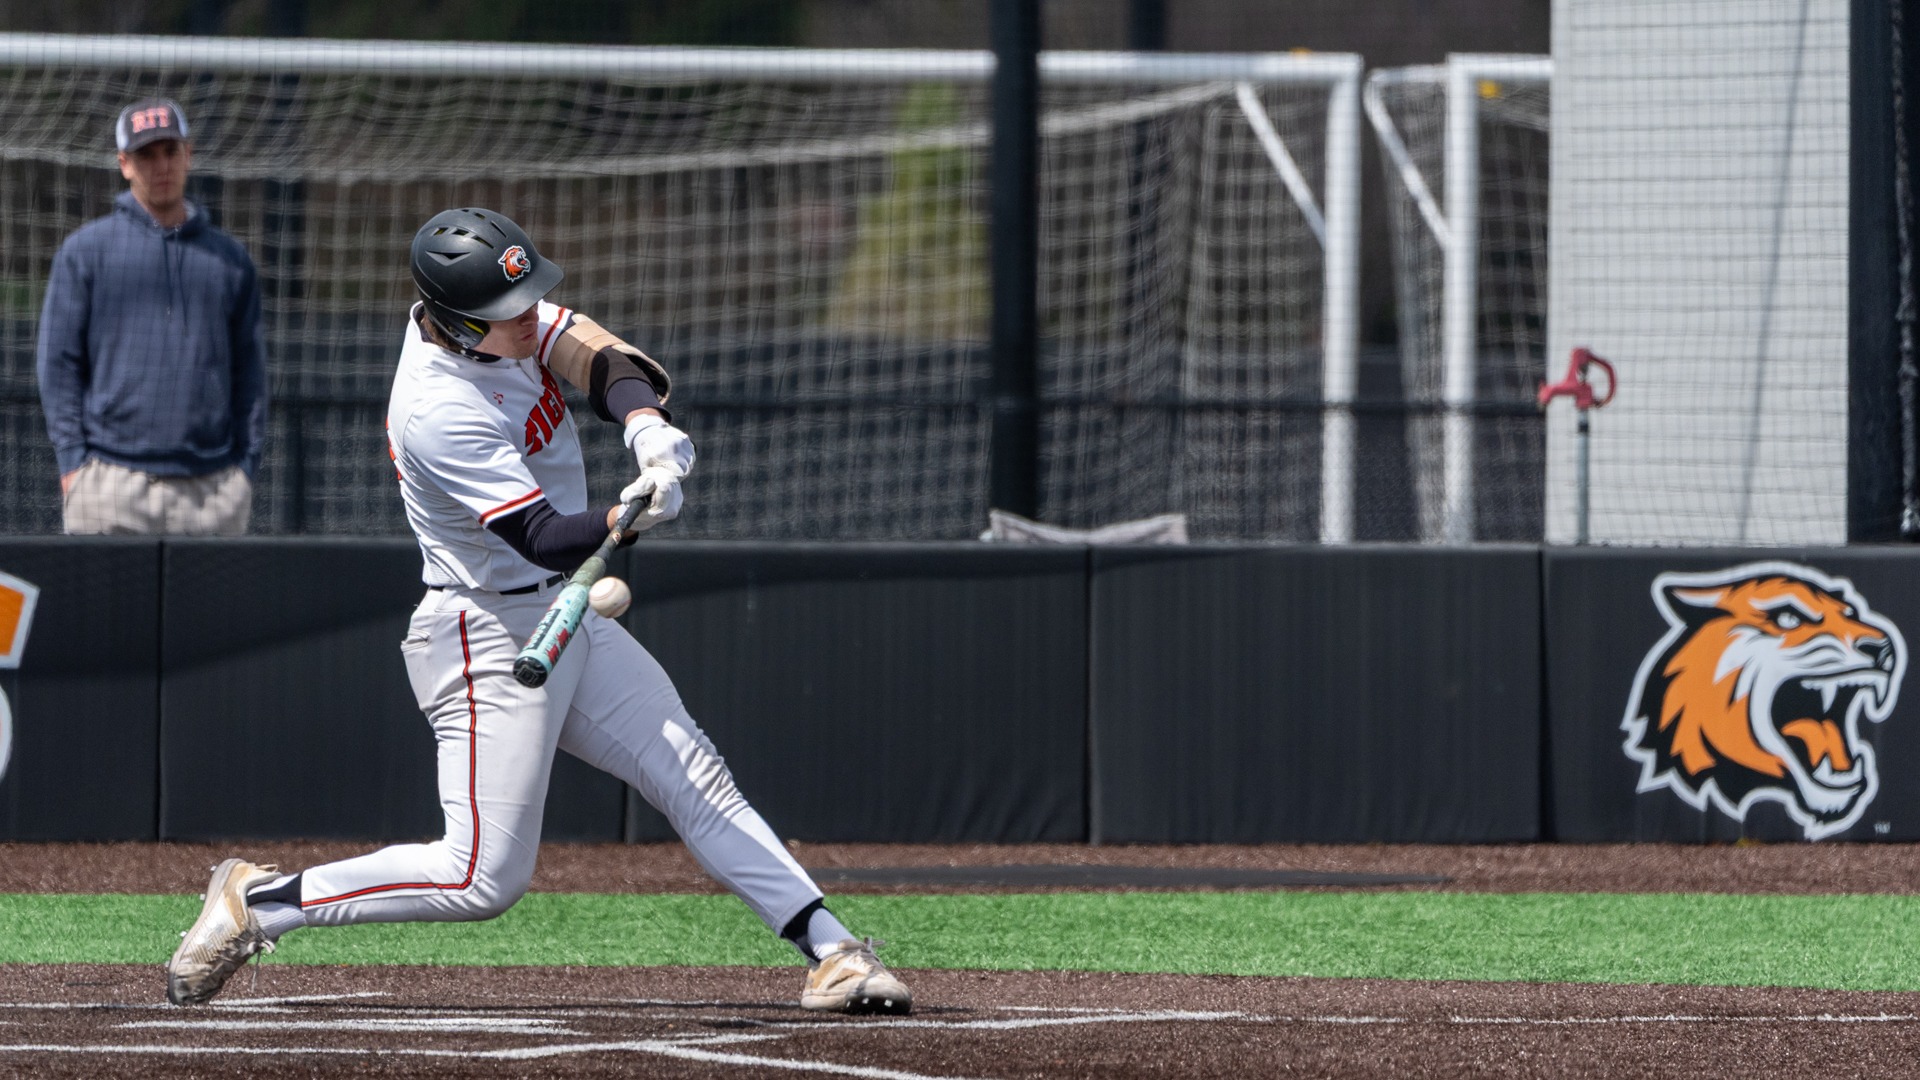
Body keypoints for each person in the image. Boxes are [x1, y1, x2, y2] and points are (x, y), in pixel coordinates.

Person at [164, 207, 910, 1016]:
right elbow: (545, 536)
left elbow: (597, 354)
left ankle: (832, 951)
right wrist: (627, 514)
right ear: (454, 323)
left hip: (563, 610)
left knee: (694, 775)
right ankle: (261, 903)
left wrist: (646, 430)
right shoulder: (436, 406)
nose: (528, 319)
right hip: (485, 631)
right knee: (480, 876)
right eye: (507, 313)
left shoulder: (497, 319)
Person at [35, 97, 267, 536]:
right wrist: (73, 467)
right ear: (124, 164)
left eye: (169, 151)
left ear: (188, 155)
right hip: (109, 486)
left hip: (212, 491)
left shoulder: (230, 260)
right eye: (146, 154)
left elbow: (250, 372)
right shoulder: (85, 253)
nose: (160, 165)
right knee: (101, 609)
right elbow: (58, 364)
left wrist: (244, 470)